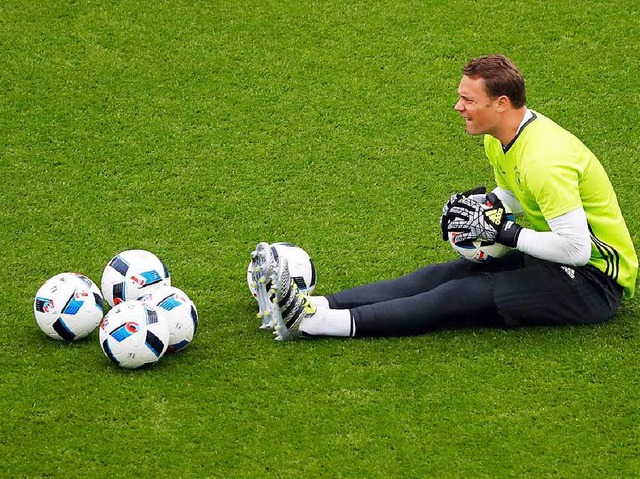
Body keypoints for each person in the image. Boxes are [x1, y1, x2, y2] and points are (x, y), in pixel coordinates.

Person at [249, 53, 638, 341]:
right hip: (554, 260)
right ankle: (312, 304)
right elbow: (522, 193)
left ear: (500, 103)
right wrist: (489, 207)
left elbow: (576, 250)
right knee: (440, 274)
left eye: (468, 99)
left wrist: (504, 232)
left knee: (459, 295)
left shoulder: (544, 159)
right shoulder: (503, 138)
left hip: (593, 284)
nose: (458, 106)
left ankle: (314, 325)